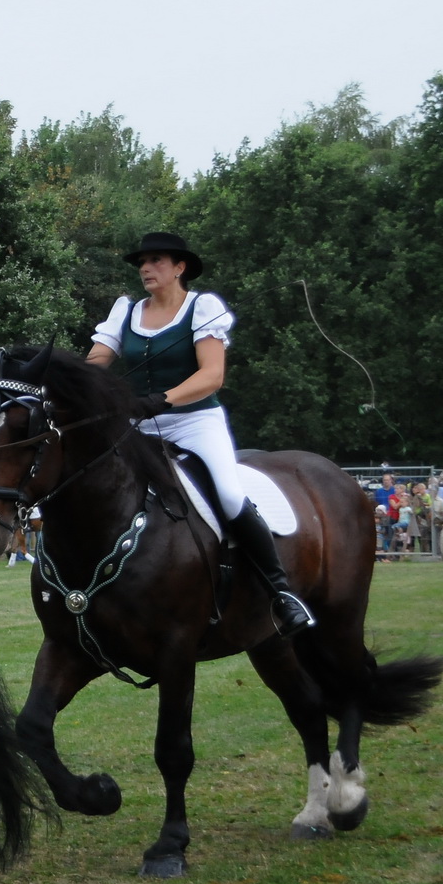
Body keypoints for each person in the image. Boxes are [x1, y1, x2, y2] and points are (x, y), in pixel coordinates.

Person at [88, 232, 313, 636]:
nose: (144, 268)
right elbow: (96, 361)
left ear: (180, 267)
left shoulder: (202, 307)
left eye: (155, 260)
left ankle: (282, 593)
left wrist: (163, 399)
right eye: (142, 262)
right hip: (138, 426)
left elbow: (212, 375)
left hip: (194, 423)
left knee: (227, 494)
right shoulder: (125, 311)